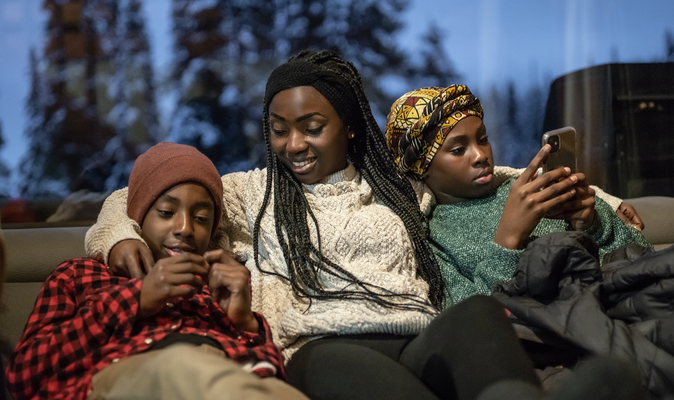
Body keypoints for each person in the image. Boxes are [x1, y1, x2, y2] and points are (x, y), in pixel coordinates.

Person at [84, 51, 645, 400]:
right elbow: (133, 194)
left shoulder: (398, 187)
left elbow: (501, 173)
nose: (294, 144)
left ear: (349, 128)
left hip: (418, 332)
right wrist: (122, 237)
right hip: (323, 347)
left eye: (311, 126)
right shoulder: (255, 193)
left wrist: (605, 198)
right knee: (338, 362)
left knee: (475, 315)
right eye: (280, 129)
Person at [6, 142, 307, 400]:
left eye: (202, 218)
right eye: (166, 213)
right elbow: (23, 376)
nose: (186, 229)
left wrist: (245, 325)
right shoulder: (80, 275)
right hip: (127, 376)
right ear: (139, 213)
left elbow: (266, 373)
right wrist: (133, 300)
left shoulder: (219, 284)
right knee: (184, 368)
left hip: (224, 378)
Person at [384, 85, 654, 306]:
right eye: (458, 150)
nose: (480, 156)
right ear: (421, 168)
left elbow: (642, 253)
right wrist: (508, 240)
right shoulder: (432, 239)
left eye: (483, 139)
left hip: (625, 299)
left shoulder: (529, 188)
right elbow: (469, 320)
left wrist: (593, 223)